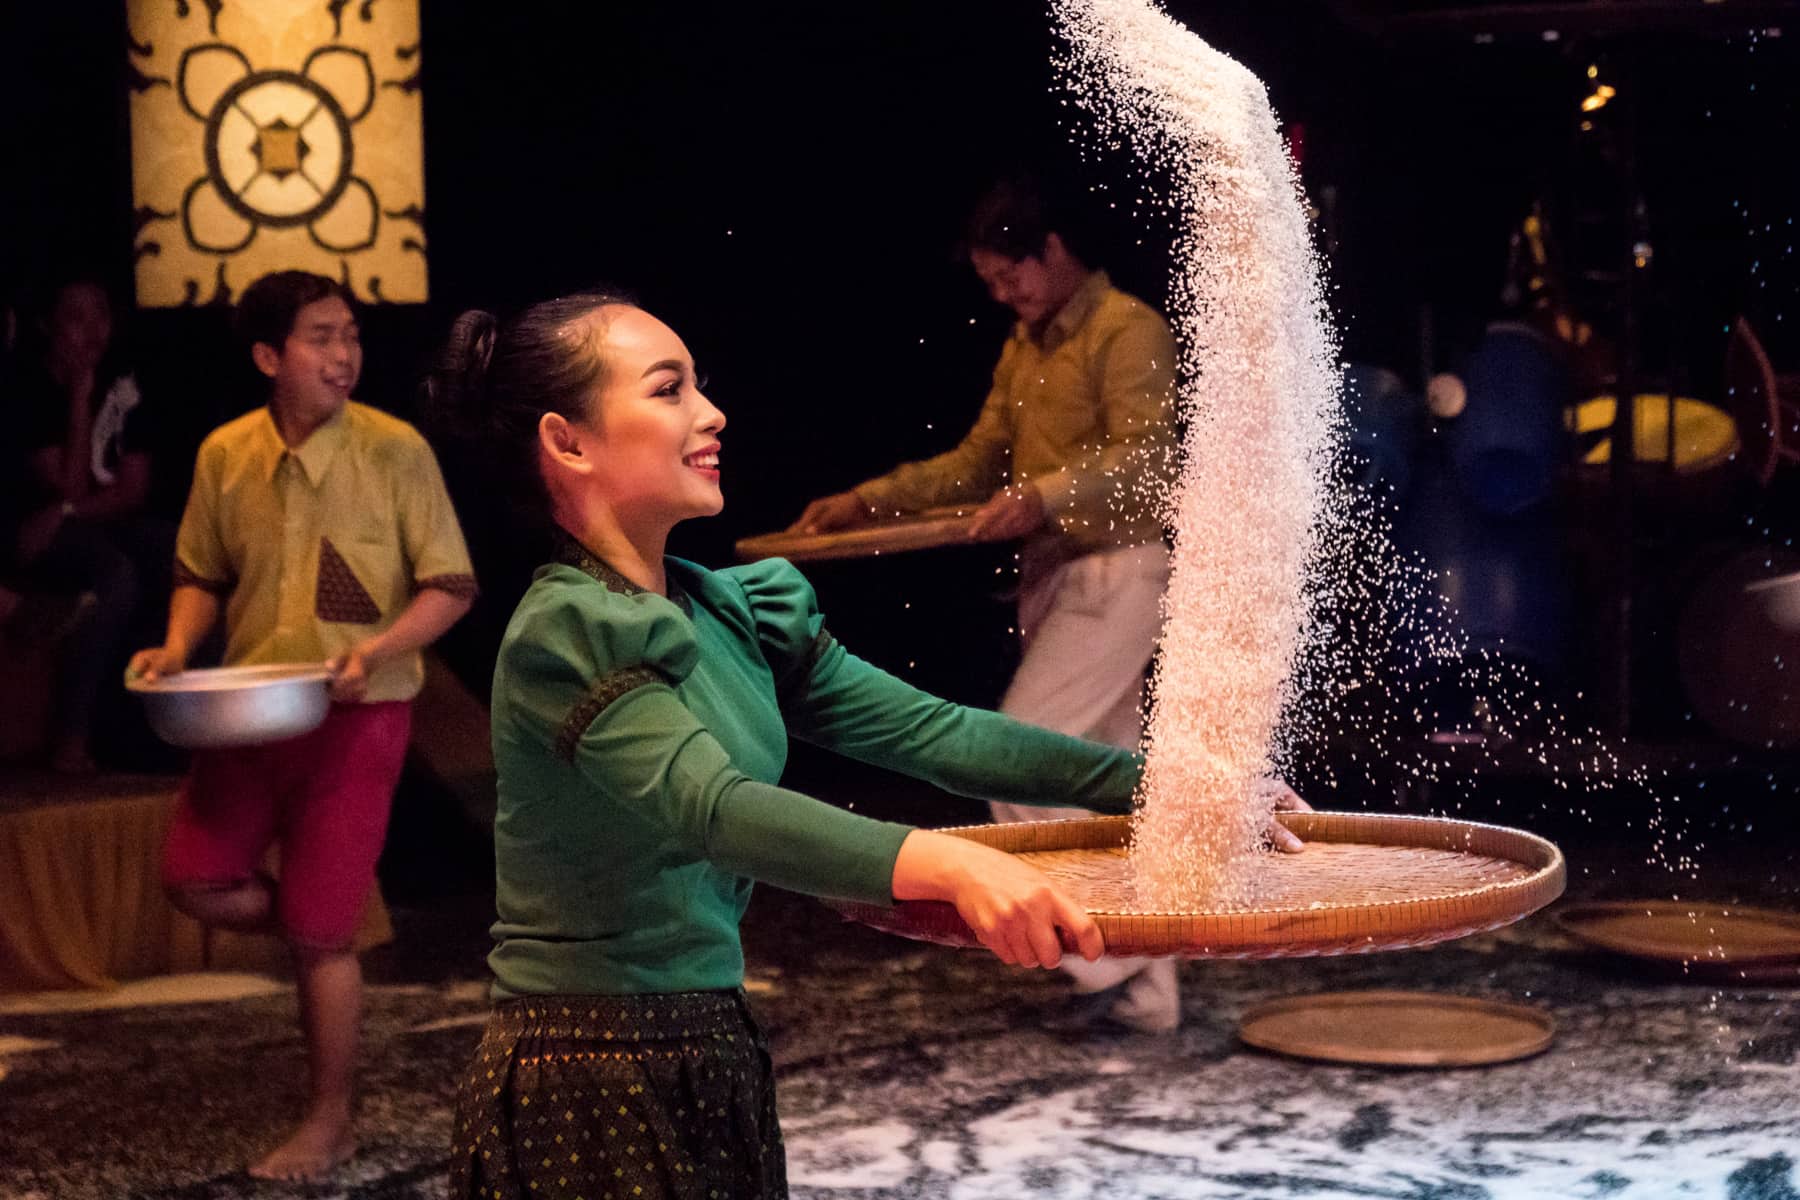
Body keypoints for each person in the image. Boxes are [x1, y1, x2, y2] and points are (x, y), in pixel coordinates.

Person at [430, 291, 1306, 1200]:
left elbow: (937, 732)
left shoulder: (729, 613)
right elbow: (715, 810)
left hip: (710, 1048)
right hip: (588, 1070)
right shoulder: (565, 633)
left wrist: (1159, 788)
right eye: (668, 390)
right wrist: (954, 866)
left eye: (701, 385)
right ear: (567, 443)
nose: (711, 412)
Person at [790, 178, 1268, 1032]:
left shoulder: (1128, 330)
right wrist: (870, 498)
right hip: (1066, 576)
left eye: (1009, 275)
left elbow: (1151, 458)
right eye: (990, 282)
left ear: (1051, 250)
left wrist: (1044, 495)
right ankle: (1148, 997)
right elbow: (978, 461)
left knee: (1018, 762)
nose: (1001, 294)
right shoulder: (1026, 346)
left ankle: (1109, 965)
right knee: (1111, 794)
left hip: (1122, 571)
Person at [128, 270, 477, 1181]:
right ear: (267, 356)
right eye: (322, 337)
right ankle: (323, 931)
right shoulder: (224, 453)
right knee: (195, 879)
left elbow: (450, 586)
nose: (344, 355)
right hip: (252, 714)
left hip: (360, 718)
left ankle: (332, 1119)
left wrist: (377, 649)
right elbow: (199, 572)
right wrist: (173, 648)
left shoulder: (395, 451)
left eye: (351, 336)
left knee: (323, 933)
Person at [9, 276, 172, 771]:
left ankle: (173, 728)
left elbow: (132, 491)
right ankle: (72, 737)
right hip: (31, 536)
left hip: (81, 521)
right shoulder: (29, 387)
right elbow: (69, 485)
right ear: (49, 325)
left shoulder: (125, 384)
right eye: (77, 317)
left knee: (178, 552)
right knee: (115, 576)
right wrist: (79, 400)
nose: (93, 330)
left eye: (100, 314)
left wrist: (65, 512)